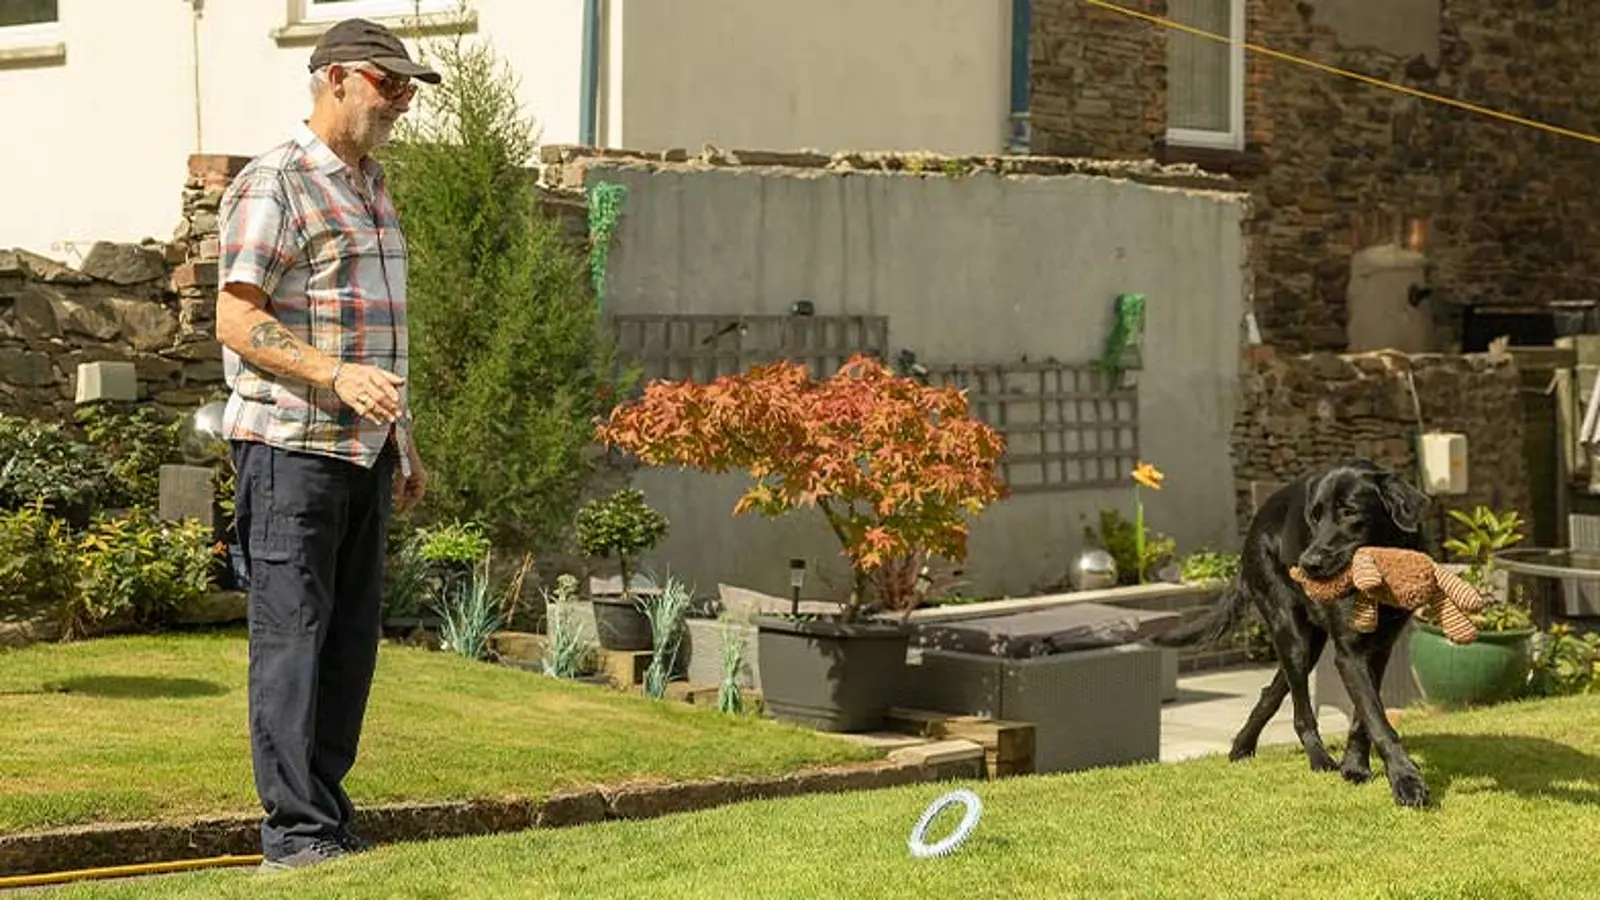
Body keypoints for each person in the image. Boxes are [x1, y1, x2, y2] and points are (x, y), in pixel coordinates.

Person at [213, 18, 437, 872]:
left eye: (411, 87)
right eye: (391, 84)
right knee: (293, 639)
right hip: (289, 451)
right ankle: (294, 833)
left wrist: (402, 440)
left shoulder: (374, 186)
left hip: (365, 452)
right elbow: (236, 317)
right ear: (335, 77)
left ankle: (327, 815)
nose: (404, 101)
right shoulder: (276, 182)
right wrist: (334, 377)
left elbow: (378, 336)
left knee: (349, 642)